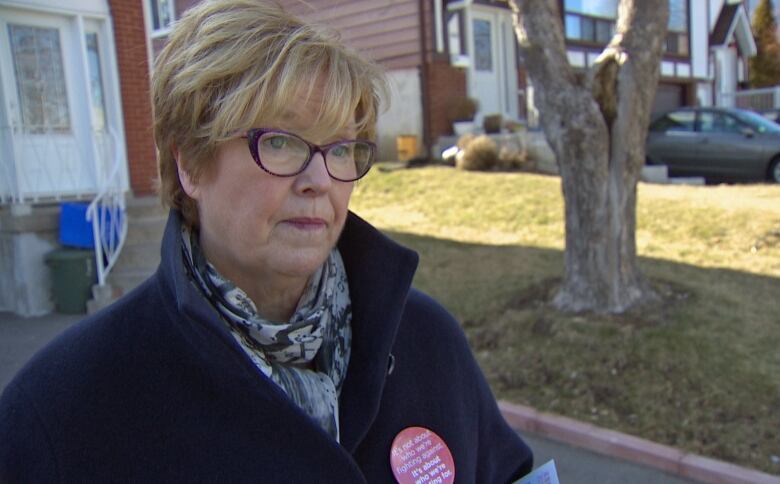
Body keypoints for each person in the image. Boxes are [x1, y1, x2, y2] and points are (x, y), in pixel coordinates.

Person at [0, 0, 533, 481]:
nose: (320, 180)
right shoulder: (64, 408)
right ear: (189, 163)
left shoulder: (426, 341)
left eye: (342, 148)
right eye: (280, 141)